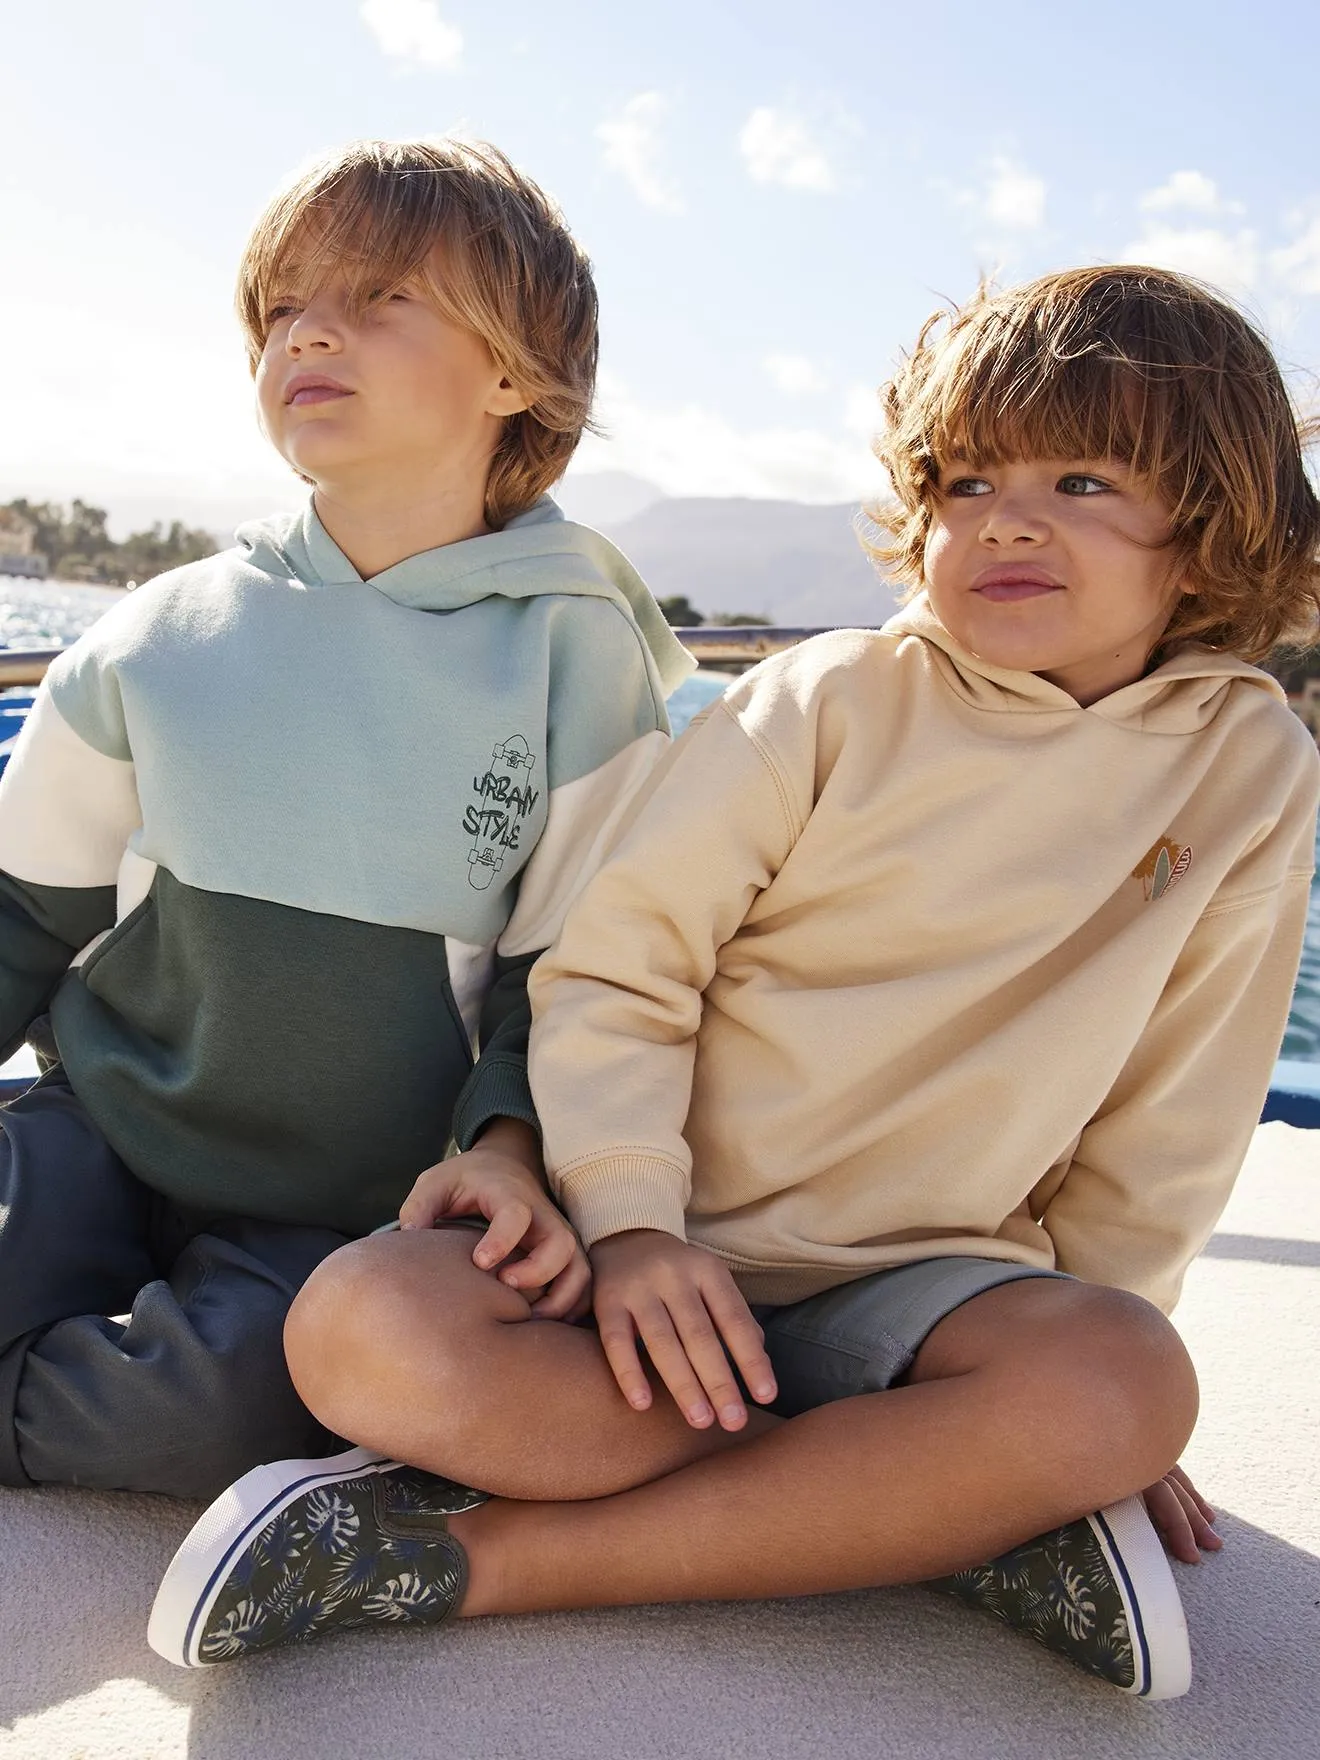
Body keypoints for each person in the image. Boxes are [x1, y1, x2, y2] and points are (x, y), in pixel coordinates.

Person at [150, 266, 1320, 1698]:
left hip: (932, 1289)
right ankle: (916, 1508)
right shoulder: (830, 701)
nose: (1003, 520)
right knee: (362, 1330)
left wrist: (1101, 1387)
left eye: (1079, 479)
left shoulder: (1250, 767)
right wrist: (635, 1224)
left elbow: (1182, 1100)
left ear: (1206, 531)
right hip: (633, 1262)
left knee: (1127, 1387)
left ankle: (495, 1561)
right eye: (963, 481)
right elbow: (621, 967)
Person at [0, 136, 691, 1500]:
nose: (310, 330)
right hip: (101, 1129)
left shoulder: (577, 652)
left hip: (355, 1208)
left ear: (514, 376)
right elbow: (25, 908)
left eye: (380, 297)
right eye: (284, 306)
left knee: (211, 1417)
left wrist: (507, 1151)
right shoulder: (162, 629)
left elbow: (575, 974)